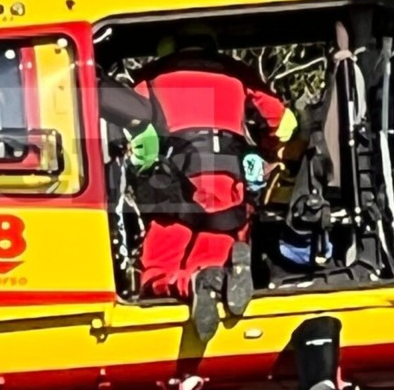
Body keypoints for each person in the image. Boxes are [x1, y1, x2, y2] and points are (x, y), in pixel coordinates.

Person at [127, 24, 297, 341]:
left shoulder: (148, 77)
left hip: (175, 184)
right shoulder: (237, 73)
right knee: (215, 249)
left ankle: (190, 284)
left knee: (158, 269)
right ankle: (226, 270)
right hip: (230, 182)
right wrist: (268, 151)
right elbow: (285, 126)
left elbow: (130, 135)